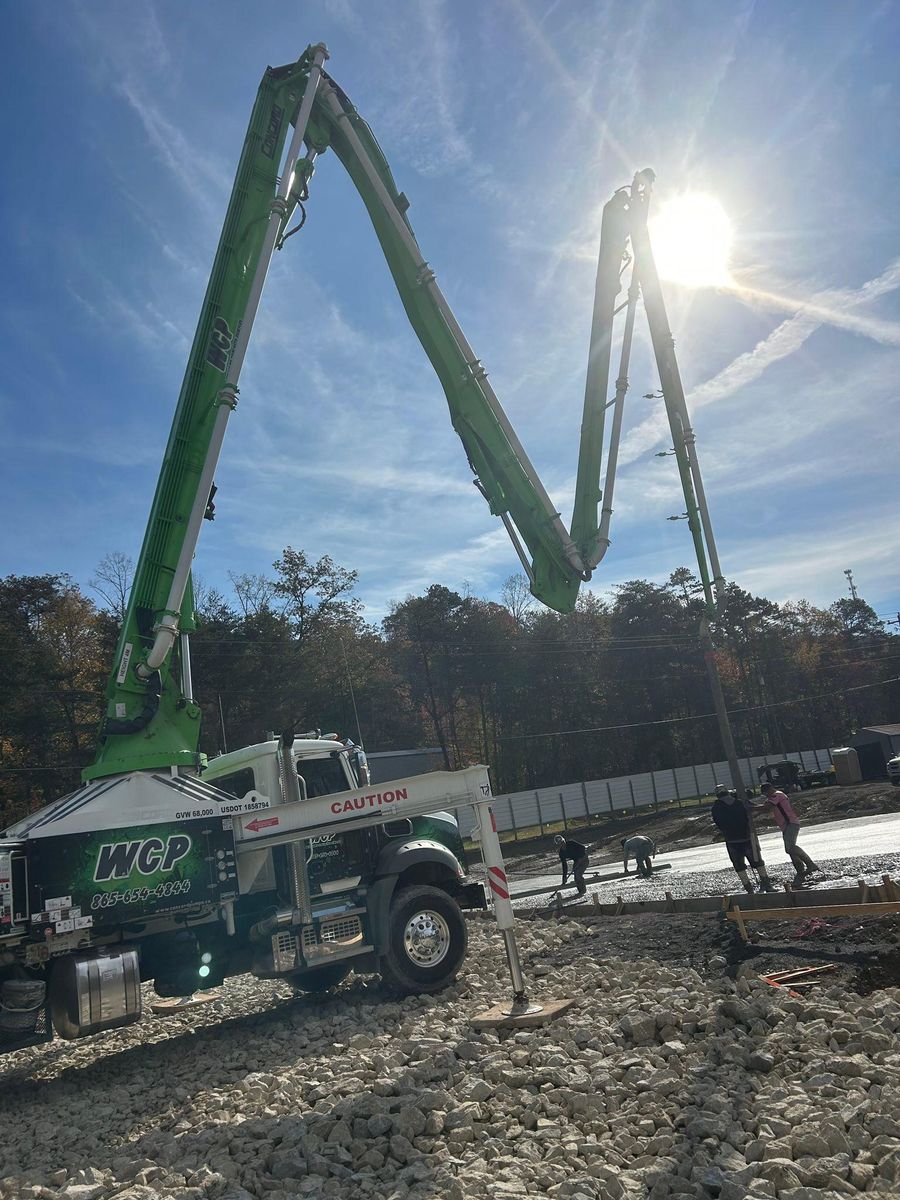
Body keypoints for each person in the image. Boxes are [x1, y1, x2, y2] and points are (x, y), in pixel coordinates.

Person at [710, 783, 777, 894]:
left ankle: (749, 890)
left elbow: (719, 824)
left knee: (739, 866)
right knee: (758, 861)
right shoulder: (739, 803)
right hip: (747, 838)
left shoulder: (716, 808)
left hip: (732, 841)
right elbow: (749, 815)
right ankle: (767, 885)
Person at [756, 782, 820, 885]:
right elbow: (766, 809)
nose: (765, 796)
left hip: (791, 823)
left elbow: (766, 807)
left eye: (765, 793)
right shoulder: (772, 797)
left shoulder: (777, 795)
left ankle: (810, 864)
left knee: (790, 848)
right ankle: (800, 871)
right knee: (790, 850)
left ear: (769, 790)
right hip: (786, 826)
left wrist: (751, 808)